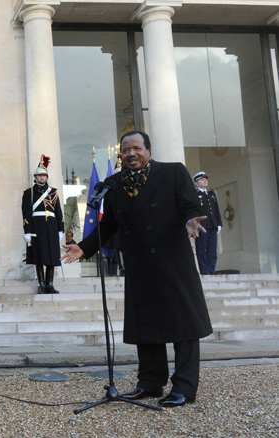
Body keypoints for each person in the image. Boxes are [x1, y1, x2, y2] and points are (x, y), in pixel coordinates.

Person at [61, 130, 213, 408]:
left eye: (136, 148)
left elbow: (190, 205)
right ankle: (150, 383)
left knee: (184, 326)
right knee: (147, 325)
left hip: (173, 262)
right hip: (140, 263)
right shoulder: (114, 184)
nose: (131, 153)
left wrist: (191, 220)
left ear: (148, 150)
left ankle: (184, 387)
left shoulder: (173, 172)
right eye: (125, 150)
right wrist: (84, 247)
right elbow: (109, 225)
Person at [22, 154, 64, 294]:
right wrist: (27, 230)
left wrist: (60, 229)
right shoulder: (29, 192)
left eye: (44, 176)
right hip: (37, 226)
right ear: (35, 177)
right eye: (39, 176)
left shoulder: (53, 192)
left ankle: (50, 284)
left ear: (46, 177)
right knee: (39, 256)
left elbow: (58, 211)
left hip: (51, 226)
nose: (42, 178)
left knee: (52, 256)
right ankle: (41, 284)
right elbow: (26, 212)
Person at [193, 171, 223, 275]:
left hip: (212, 225)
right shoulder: (195, 195)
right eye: (202, 179)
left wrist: (219, 224)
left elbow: (216, 211)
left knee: (212, 249)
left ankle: (211, 269)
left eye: (206, 179)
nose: (205, 180)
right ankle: (204, 271)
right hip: (202, 226)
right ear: (196, 183)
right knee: (202, 249)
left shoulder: (212, 195)